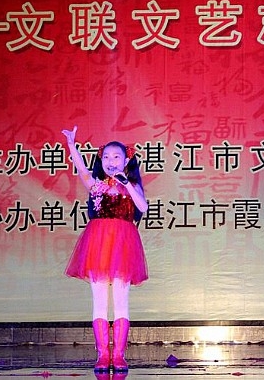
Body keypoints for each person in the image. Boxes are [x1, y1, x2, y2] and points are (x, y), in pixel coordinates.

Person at [62, 125, 148, 372]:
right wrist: (71, 145)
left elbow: (143, 207)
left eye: (116, 157)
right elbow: (81, 168)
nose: (111, 161)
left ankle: (119, 355)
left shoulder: (132, 185)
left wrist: (126, 184)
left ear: (126, 160)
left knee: (121, 301)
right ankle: (102, 355)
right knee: (99, 301)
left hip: (123, 245)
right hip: (98, 244)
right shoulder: (96, 185)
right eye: (107, 157)